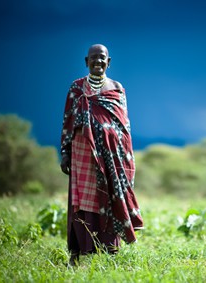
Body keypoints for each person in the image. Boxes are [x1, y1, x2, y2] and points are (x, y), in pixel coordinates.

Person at [60, 44, 144, 265]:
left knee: (109, 197)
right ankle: (80, 252)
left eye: (102, 58)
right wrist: (65, 152)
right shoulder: (76, 88)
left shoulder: (117, 88)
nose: (98, 62)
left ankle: (109, 251)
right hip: (82, 153)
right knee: (84, 201)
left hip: (111, 157)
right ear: (86, 61)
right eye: (94, 58)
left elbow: (124, 126)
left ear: (109, 62)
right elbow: (68, 121)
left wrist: (124, 155)